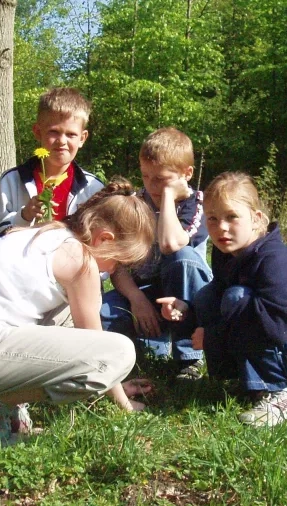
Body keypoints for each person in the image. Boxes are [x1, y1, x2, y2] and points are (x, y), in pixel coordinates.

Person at [0, 179, 156, 447]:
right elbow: (97, 345)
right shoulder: (81, 261)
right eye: (118, 261)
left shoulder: (46, 234)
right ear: (104, 239)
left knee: (69, 316)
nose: (114, 269)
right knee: (120, 353)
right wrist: (123, 402)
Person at [158, 172, 287, 427]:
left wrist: (212, 339)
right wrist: (186, 311)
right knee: (210, 295)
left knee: (236, 297)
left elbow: (273, 326)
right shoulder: (228, 253)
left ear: (256, 219)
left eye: (232, 217)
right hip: (285, 341)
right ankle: (250, 382)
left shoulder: (274, 260)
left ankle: (282, 392)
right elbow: (217, 306)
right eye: (212, 218)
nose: (221, 227)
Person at [0, 87, 104, 288]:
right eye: (54, 132)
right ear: (38, 132)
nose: (62, 142)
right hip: (13, 274)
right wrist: (24, 216)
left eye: (71, 134)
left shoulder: (92, 188)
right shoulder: (14, 180)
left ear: (82, 138)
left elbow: (104, 252)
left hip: (63, 286)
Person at [100, 127, 212, 380]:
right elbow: (115, 264)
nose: (151, 185)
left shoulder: (197, 203)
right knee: (102, 313)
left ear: (187, 174)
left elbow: (171, 244)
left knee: (182, 258)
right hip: (146, 293)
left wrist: (169, 197)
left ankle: (189, 358)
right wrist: (136, 299)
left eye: (161, 179)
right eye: (146, 176)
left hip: (188, 298)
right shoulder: (135, 204)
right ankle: (137, 356)